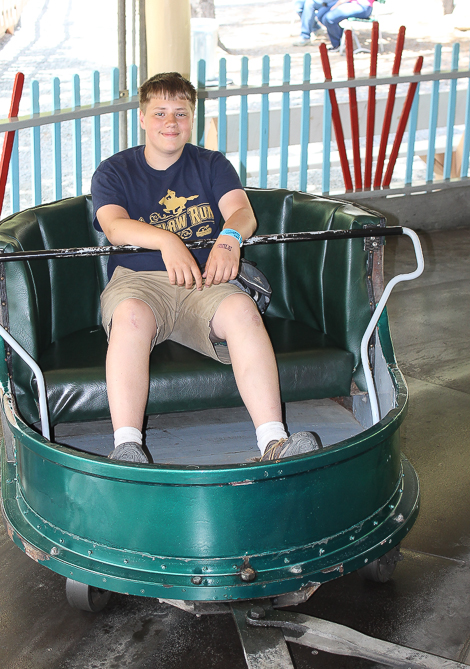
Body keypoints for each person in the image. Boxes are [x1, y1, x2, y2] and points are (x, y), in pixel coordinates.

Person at [91, 72, 320, 465]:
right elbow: (113, 226)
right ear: (142, 117)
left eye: (180, 113)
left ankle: (273, 441)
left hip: (205, 281)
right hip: (140, 283)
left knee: (243, 312)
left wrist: (229, 239)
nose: (170, 123)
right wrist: (168, 241)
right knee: (128, 317)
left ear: (191, 119)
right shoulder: (114, 171)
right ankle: (127, 446)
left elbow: (241, 212)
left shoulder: (212, 164)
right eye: (160, 112)